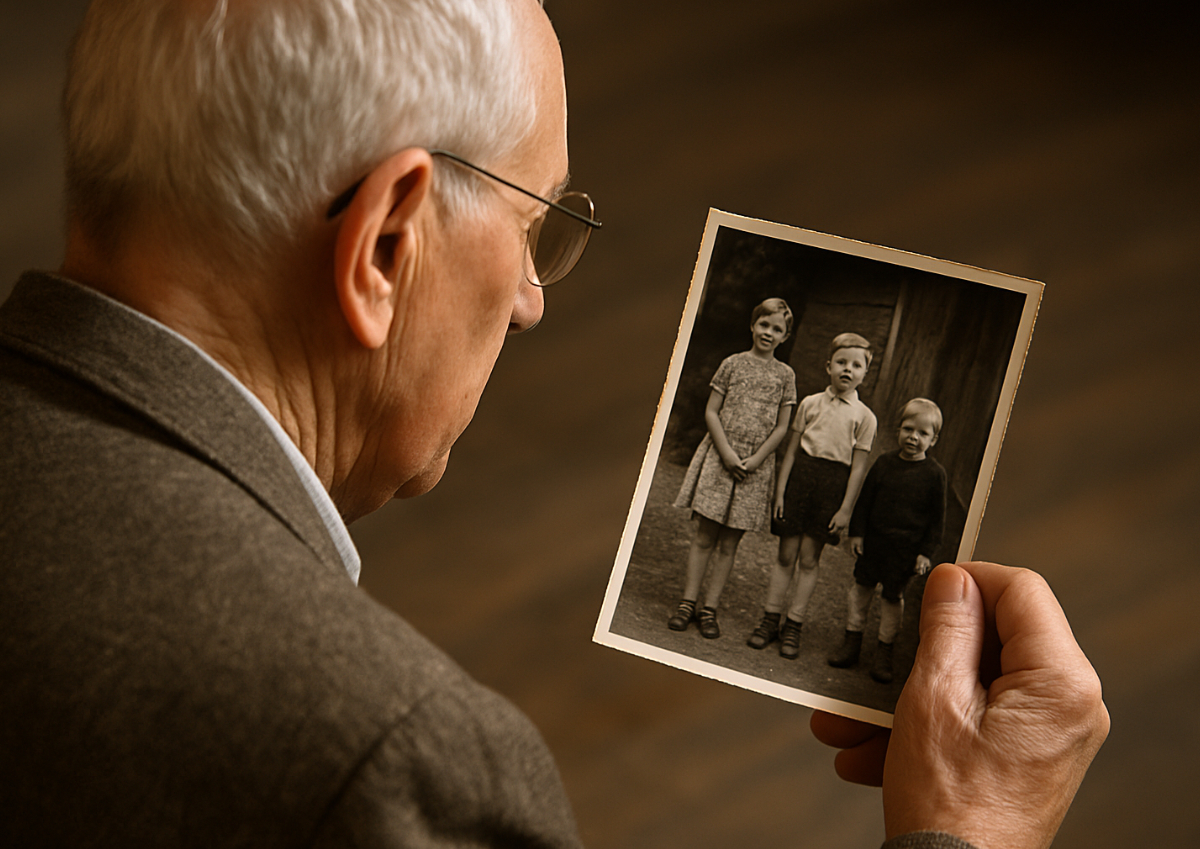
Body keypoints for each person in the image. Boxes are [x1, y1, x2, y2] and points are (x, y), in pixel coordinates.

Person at [0, 1, 1109, 847]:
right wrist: (967, 836)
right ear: (387, 246)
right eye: (535, 229)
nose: (532, 300)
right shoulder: (394, 760)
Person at [668, 297, 797, 638]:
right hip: (719, 459)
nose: (769, 332)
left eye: (777, 329)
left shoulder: (785, 375)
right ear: (752, 325)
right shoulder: (732, 364)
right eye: (764, 324)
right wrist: (725, 452)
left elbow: (783, 426)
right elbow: (712, 411)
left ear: (785, 337)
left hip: (754, 469)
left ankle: (709, 609)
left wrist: (756, 460)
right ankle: (688, 602)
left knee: (729, 544)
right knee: (705, 535)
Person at [747, 331, 878, 659]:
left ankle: (794, 624)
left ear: (865, 373)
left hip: (831, 486)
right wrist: (780, 492)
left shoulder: (865, 417)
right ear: (828, 366)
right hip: (800, 479)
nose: (848, 369)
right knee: (785, 555)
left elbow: (858, 469)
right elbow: (790, 453)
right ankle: (769, 619)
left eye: (856, 365)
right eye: (842, 362)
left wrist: (845, 509)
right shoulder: (809, 403)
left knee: (809, 558)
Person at [828, 398, 948, 683]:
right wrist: (857, 534)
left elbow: (937, 521)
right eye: (908, 429)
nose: (913, 437)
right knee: (860, 591)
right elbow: (865, 501)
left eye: (922, 433)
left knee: (892, 598)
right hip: (874, 545)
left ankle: (884, 652)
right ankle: (851, 642)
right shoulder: (884, 464)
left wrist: (924, 553)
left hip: (904, 551)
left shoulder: (935, 476)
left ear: (934, 439)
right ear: (898, 429)